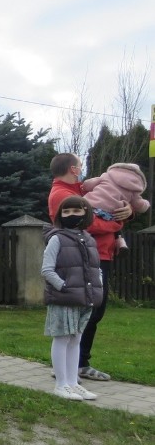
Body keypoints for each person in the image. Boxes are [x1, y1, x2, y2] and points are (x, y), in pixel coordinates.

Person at [48, 153, 132, 381]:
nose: (83, 169)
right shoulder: (62, 194)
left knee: (94, 311)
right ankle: (70, 365)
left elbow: (109, 203)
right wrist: (118, 221)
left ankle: (78, 363)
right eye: (81, 166)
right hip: (81, 259)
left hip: (98, 256)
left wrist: (127, 210)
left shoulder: (80, 192)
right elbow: (89, 222)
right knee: (84, 311)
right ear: (74, 169)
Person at [41, 195, 102, 402]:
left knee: (76, 339)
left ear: (86, 213)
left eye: (76, 211)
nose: (71, 215)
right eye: (66, 212)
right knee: (62, 338)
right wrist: (63, 287)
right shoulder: (56, 238)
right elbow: (47, 269)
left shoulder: (90, 240)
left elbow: (95, 269)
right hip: (64, 297)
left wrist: (97, 285)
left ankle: (73, 382)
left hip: (84, 298)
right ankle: (61, 384)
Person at [81, 162, 149, 252]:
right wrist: (147, 204)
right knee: (115, 225)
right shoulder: (134, 189)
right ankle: (121, 242)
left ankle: (85, 228)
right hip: (108, 213)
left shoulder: (107, 176)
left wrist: (85, 186)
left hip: (89, 205)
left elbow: (88, 185)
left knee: (88, 223)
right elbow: (140, 205)